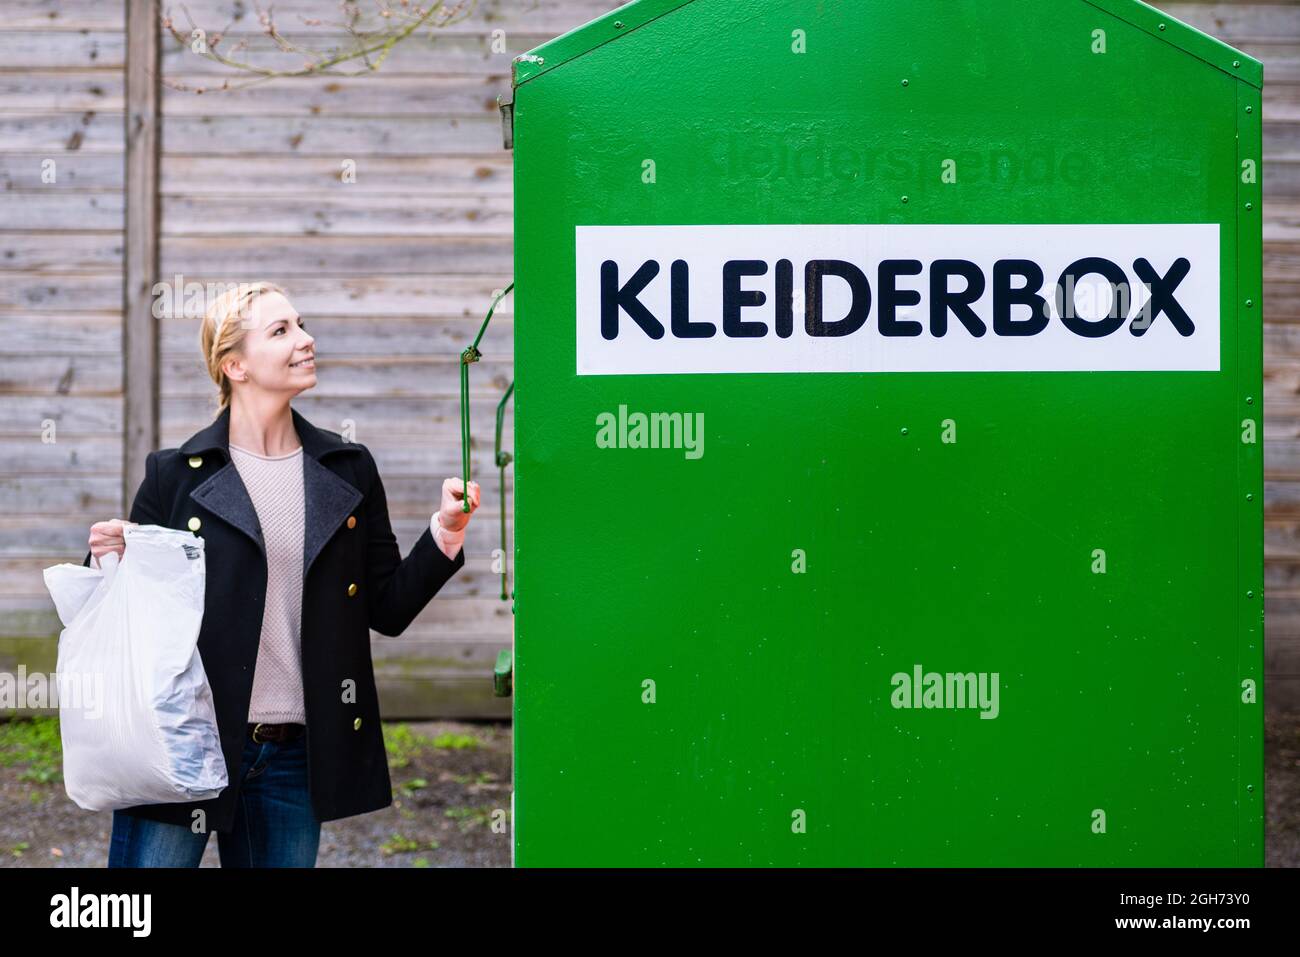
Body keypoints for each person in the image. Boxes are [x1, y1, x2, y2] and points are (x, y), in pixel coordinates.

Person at [84, 281, 481, 866]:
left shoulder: (347, 468)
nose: (306, 339)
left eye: (301, 324)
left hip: (295, 753)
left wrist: (445, 533)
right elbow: (132, 616)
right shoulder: (176, 475)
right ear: (234, 365)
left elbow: (388, 610)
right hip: (184, 739)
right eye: (282, 331)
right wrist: (106, 557)